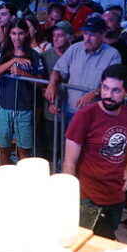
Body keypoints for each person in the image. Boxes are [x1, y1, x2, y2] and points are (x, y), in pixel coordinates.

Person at [63, 64, 127, 240]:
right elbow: (69, 162)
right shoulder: (85, 115)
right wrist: (70, 198)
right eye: (105, 88)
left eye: (116, 91)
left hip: (115, 195)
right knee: (100, 243)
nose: (108, 95)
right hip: (88, 196)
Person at [0, 19, 46, 165]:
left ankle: (23, 183)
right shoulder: (3, 52)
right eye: (13, 33)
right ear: (9, 34)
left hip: (24, 109)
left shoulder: (34, 55)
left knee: (23, 150)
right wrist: (12, 62)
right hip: (4, 107)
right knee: (3, 148)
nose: (17, 37)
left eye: (20, 33)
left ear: (26, 34)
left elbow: (41, 84)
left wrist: (22, 73)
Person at [45, 16, 121, 121]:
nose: (87, 39)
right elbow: (57, 70)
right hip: (70, 110)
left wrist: (94, 93)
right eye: (85, 34)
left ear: (103, 34)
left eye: (92, 35)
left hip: (96, 113)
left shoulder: (113, 54)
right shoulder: (75, 48)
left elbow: (113, 83)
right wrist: (52, 84)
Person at [41, 21, 74, 161]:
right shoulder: (46, 55)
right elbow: (41, 82)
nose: (55, 38)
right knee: (51, 147)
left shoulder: (75, 54)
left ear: (69, 37)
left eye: (60, 35)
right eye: (54, 35)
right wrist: (50, 100)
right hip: (51, 109)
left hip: (71, 107)